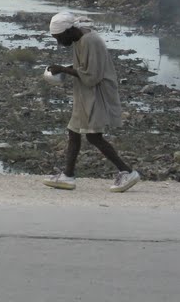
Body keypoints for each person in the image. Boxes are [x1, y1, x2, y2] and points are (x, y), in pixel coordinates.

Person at [43, 11, 140, 193]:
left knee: (93, 136)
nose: (59, 42)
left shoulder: (90, 41)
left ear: (68, 31)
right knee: (73, 132)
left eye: (59, 38)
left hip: (97, 93)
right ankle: (68, 176)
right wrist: (66, 70)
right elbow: (85, 67)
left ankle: (126, 171)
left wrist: (65, 69)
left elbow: (93, 76)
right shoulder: (80, 39)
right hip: (85, 93)